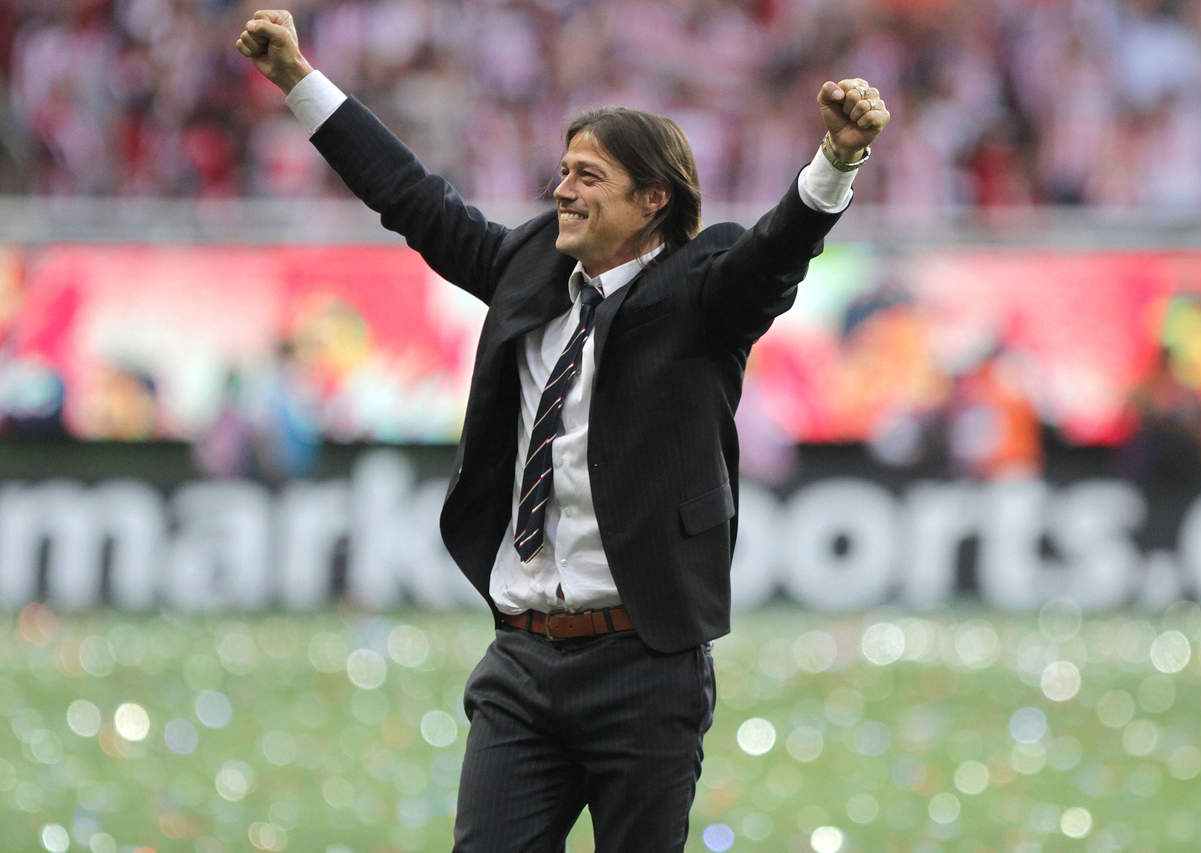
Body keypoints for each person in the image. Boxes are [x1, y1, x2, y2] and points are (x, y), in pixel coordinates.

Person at [237, 9, 889, 851]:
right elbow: (412, 197)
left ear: (653, 199)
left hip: (644, 669)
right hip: (522, 662)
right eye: (562, 171)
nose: (562, 189)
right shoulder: (529, 266)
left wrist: (835, 160)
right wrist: (299, 80)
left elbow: (776, 252)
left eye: (588, 175)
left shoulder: (702, 290)